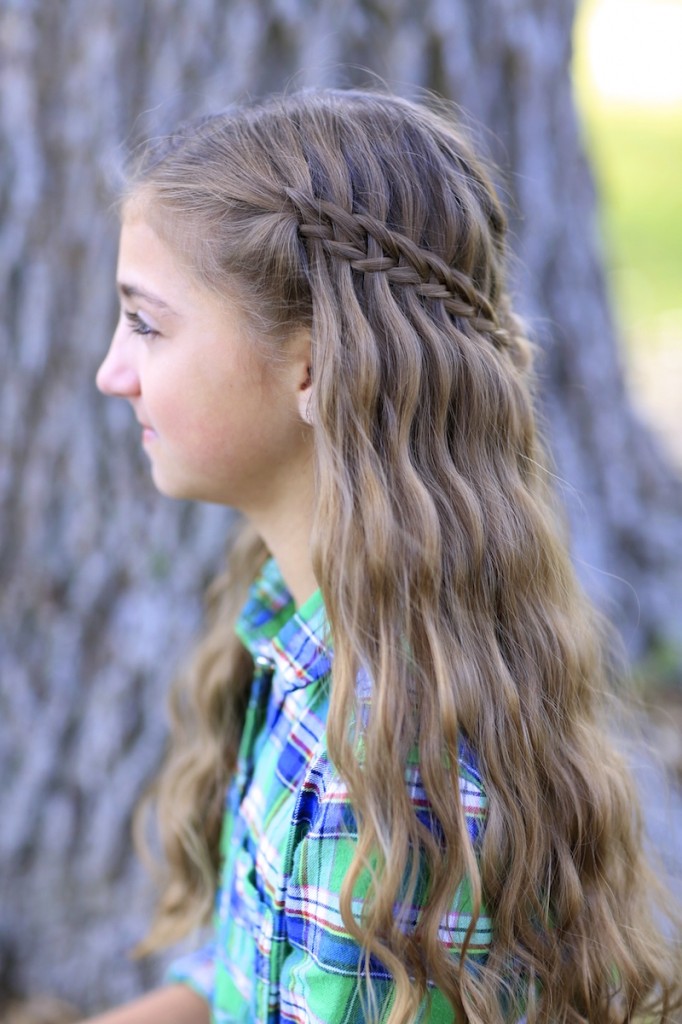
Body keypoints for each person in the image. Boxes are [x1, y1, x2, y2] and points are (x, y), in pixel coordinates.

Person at [88, 89, 680, 1024]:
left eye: (148, 324)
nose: (110, 372)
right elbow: (253, 969)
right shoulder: (299, 627)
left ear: (314, 366)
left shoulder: (387, 771)